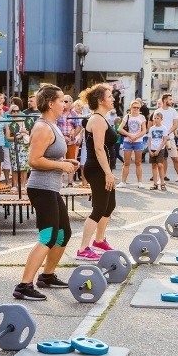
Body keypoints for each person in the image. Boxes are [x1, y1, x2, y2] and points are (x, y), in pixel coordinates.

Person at [12, 84, 79, 300]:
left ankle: (47, 276)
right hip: (41, 188)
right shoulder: (42, 127)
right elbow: (34, 160)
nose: (64, 104)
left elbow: (49, 155)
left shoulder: (52, 125)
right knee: (48, 236)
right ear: (51, 103)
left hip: (51, 187)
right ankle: (23, 286)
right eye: (61, 101)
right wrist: (61, 165)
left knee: (63, 233)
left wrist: (66, 161)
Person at [76, 84, 117, 261]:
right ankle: (83, 249)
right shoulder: (98, 120)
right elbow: (99, 149)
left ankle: (99, 241)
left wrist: (109, 172)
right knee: (99, 208)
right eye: (109, 96)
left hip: (103, 168)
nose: (113, 99)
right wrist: (107, 173)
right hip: (98, 169)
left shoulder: (101, 118)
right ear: (100, 101)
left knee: (110, 205)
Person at [117, 99, 147, 188]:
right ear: (130, 108)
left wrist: (135, 137)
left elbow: (144, 130)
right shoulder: (127, 117)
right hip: (128, 141)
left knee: (138, 162)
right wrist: (129, 135)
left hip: (138, 141)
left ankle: (140, 182)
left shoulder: (142, 117)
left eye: (138, 107)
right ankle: (123, 182)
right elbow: (120, 129)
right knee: (126, 162)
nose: (136, 109)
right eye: (134, 107)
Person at [147, 111, 169, 191]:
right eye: (155, 118)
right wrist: (149, 150)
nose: (156, 120)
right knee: (153, 165)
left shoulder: (164, 128)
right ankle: (155, 183)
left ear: (161, 119)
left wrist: (158, 150)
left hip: (160, 148)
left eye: (158, 118)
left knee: (160, 165)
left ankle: (162, 182)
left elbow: (164, 140)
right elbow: (149, 139)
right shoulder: (151, 128)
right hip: (152, 148)